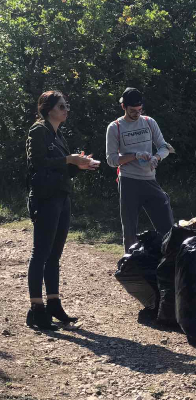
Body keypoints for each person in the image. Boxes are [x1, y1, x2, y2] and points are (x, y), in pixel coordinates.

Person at [25, 90, 98, 330]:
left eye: (66, 106)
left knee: (55, 254)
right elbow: (37, 164)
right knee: (41, 253)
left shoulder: (58, 135)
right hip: (46, 198)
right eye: (61, 106)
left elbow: (64, 169)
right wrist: (69, 160)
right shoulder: (38, 131)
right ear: (48, 109)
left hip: (62, 196)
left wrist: (81, 165)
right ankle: (36, 309)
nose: (66, 110)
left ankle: (53, 303)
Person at [106, 87, 174, 253]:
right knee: (129, 228)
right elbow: (112, 160)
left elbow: (164, 147)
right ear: (124, 107)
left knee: (166, 223)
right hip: (129, 181)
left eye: (139, 110)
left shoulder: (149, 122)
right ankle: (130, 264)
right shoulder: (115, 127)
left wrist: (156, 158)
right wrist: (135, 155)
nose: (136, 114)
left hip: (150, 179)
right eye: (132, 111)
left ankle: (170, 258)